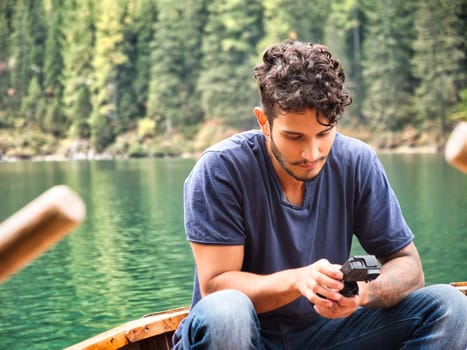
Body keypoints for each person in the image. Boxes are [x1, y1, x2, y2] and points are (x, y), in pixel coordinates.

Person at [172, 40, 467, 349]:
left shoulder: (356, 161)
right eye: (294, 136)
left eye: (324, 134)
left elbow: (408, 266)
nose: (310, 153)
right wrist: (298, 280)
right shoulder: (221, 169)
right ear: (264, 122)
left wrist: (361, 293)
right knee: (227, 311)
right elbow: (216, 286)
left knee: (451, 307)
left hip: (328, 332)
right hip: (243, 334)